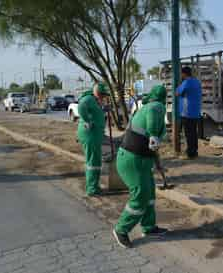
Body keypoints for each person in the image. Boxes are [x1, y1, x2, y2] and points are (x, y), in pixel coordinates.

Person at [113, 85, 168, 248]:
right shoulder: (155, 107)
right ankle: (121, 229)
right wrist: (152, 134)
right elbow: (152, 129)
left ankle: (149, 227)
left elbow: (154, 144)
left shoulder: (150, 107)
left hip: (141, 159)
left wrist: (158, 164)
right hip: (132, 159)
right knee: (140, 195)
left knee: (149, 193)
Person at [77, 82, 109, 197]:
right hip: (90, 135)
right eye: (102, 95)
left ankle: (94, 185)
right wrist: (87, 121)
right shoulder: (89, 98)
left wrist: (103, 110)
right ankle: (92, 188)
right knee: (93, 162)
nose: (103, 97)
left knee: (94, 161)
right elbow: (81, 106)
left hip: (94, 135)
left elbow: (94, 112)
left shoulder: (94, 100)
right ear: (97, 93)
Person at [176, 67, 202, 159]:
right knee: (193, 133)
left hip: (187, 112)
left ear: (184, 74)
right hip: (195, 112)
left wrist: (179, 86)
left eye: (181, 74)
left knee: (188, 134)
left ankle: (190, 154)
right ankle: (194, 152)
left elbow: (177, 93)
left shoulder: (186, 82)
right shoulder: (197, 81)